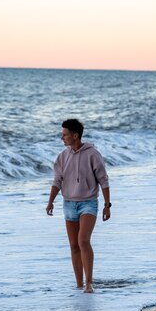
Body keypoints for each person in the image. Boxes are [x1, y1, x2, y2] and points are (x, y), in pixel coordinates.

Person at [46, 119, 111, 293]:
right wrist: (51, 201)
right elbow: (57, 180)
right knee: (74, 245)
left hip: (88, 203)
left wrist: (107, 204)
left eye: (65, 135)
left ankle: (89, 282)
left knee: (83, 240)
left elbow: (103, 180)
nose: (62, 138)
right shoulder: (62, 156)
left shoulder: (93, 154)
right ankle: (79, 284)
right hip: (68, 204)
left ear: (75, 136)